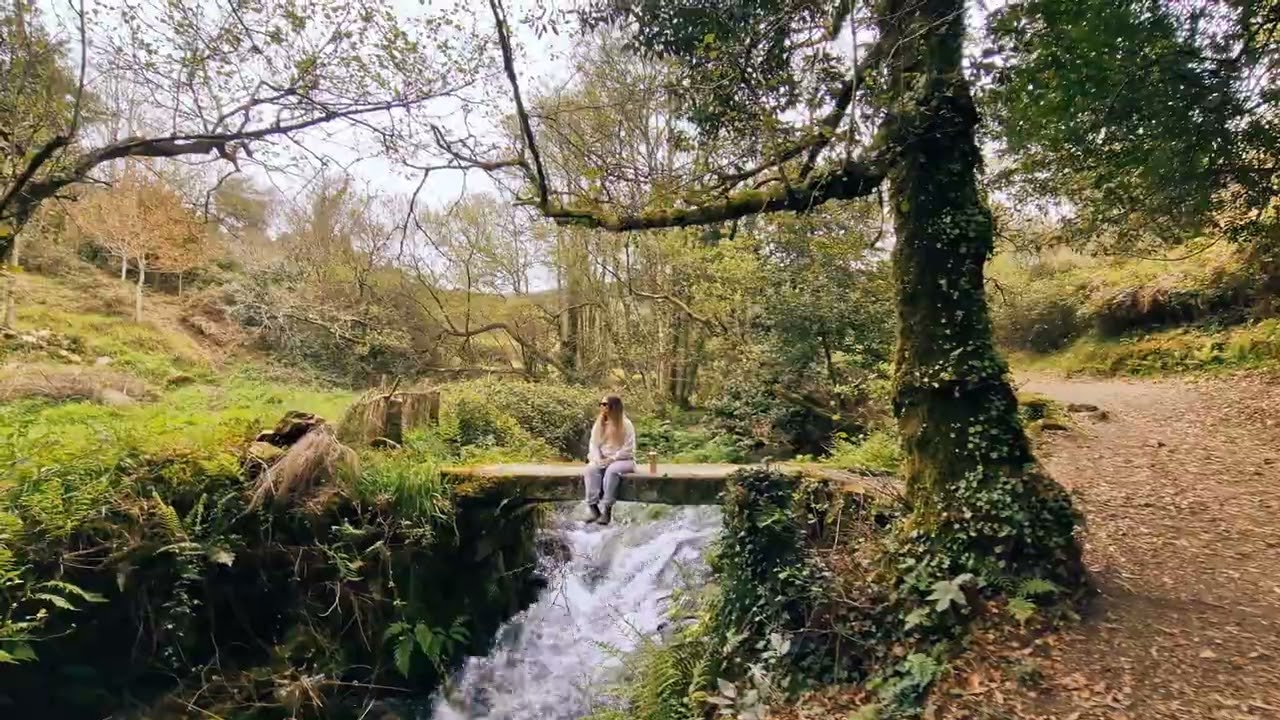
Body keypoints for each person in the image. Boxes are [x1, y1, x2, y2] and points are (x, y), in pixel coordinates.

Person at [583, 394, 636, 525]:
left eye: (605, 404)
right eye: (601, 404)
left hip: (623, 460)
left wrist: (612, 458)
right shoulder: (599, 424)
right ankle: (593, 508)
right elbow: (594, 444)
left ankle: (607, 509)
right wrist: (597, 459)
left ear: (614, 406)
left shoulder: (626, 424)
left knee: (612, 471)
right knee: (590, 469)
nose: (602, 407)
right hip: (602, 458)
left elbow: (628, 448)